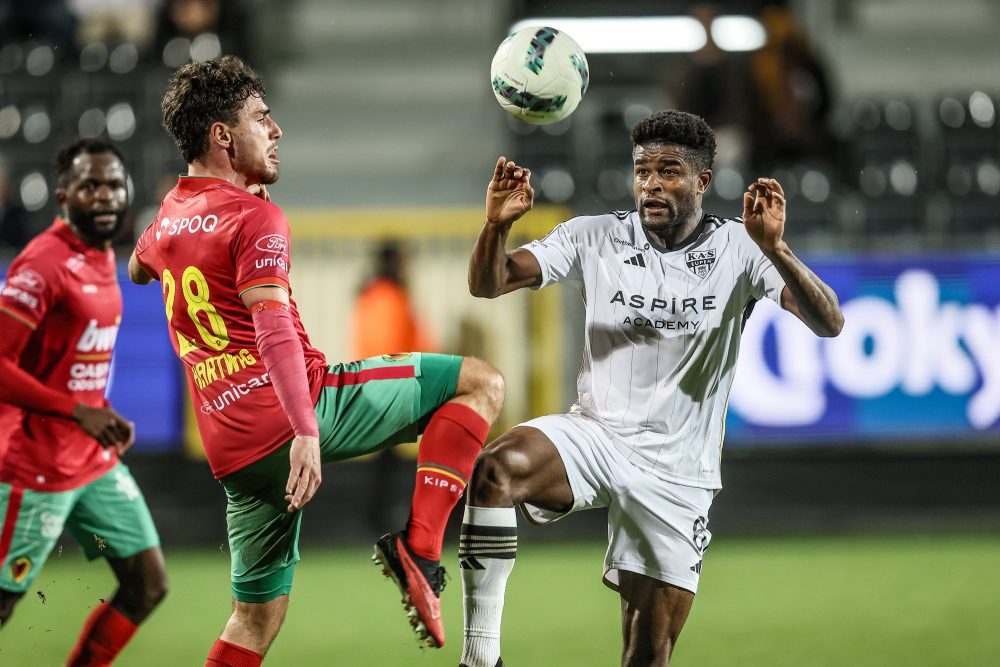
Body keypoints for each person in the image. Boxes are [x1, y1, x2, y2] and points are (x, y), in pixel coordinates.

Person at [127, 55, 504, 666]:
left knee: (254, 620)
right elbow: (272, 327)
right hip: (295, 414)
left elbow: (138, 268)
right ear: (222, 135)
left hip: (231, 449)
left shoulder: (168, 216)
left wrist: (173, 241)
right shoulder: (256, 216)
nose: (275, 131)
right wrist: (306, 429)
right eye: (261, 119)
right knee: (480, 384)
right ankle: (422, 549)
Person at [459, 110, 844, 667]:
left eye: (670, 172)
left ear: (703, 182)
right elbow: (488, 283)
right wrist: (496, 225)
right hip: (596, 436)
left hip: (677, 474)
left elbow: (829, 321)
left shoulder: (740, 248)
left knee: (647, 655)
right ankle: (481, 657)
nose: (652, 185)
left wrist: (776, 249)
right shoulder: (593, 236)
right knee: (495, 469)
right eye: (642, 172)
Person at [0, 138, 168, 664]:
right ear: (63, 195)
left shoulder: (101, 253)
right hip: (35, 466)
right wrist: (78, 411)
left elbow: (73, 360)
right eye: (89, 185)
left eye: (113, 184)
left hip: (90, 460)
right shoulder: (44, 265)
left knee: (148, 585)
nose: (104, 195)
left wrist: (98, 411)